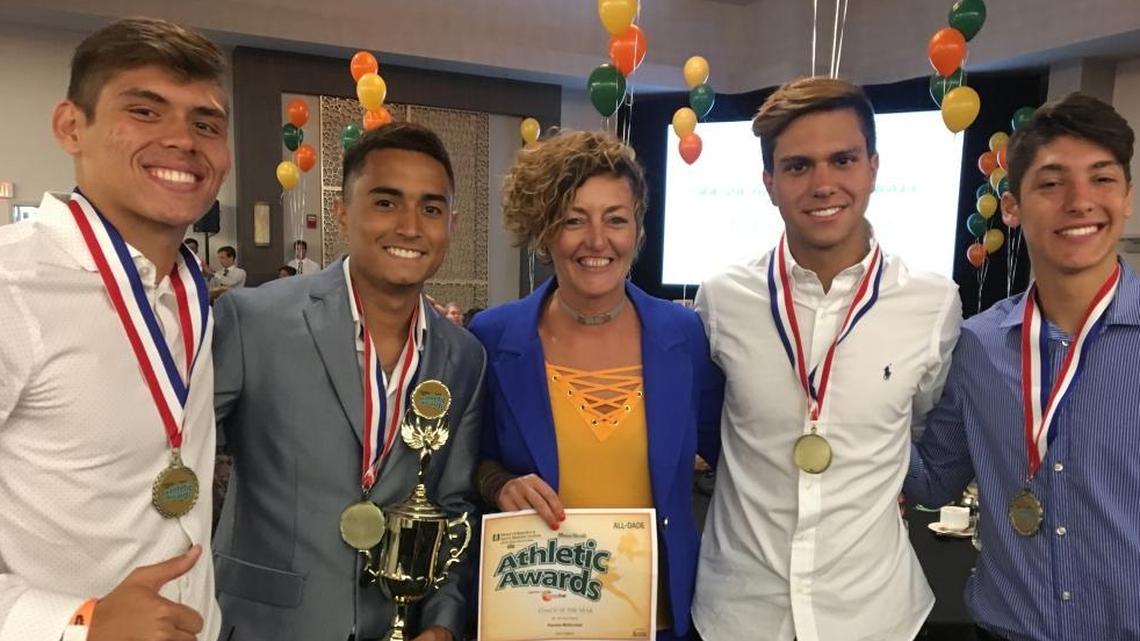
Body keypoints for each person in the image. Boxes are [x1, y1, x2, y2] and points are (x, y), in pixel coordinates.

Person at [691, 77, 961, 641]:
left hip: (874, 615)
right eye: (797, 166)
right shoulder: (721, 300)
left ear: (873, 167)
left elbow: (919, 427)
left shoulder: (933, 304)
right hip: (739, 614)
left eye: (843, 160)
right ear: (769, 182)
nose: (823, 184)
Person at [0, 17, 229, 641]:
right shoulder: (13, 284)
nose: (184, 140)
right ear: (71, 127)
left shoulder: (186, 289)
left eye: (206, 122)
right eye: (146, 111)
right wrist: (78, 623)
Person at [212, 122, 484, 641]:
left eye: (430, 209)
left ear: (450, 222)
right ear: (341, 210)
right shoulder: (254, 322)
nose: (409, 226)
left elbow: (453, 509)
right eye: (386, 203)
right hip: (267, 624)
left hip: (395, 626)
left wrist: (444, 622)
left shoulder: (463, 356)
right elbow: (181, 462)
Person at [470, 130, 723, 641]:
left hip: (657, 619)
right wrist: (499, 484)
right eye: (573, 220)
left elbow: (733, 454)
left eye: (616, 219)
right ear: (544, 233)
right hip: (536, 617)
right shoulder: (494, 338)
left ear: (638, 230)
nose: (597, 241)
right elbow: (465, 463)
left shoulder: (685, 337)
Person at [905, 93, 1140, 641]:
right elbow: (932, 478)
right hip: (1006, 629)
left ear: (1126, 197)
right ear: (1011, 207)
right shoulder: (979, 345)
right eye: (1052, 183)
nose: (1080, 202)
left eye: (1102, 179)